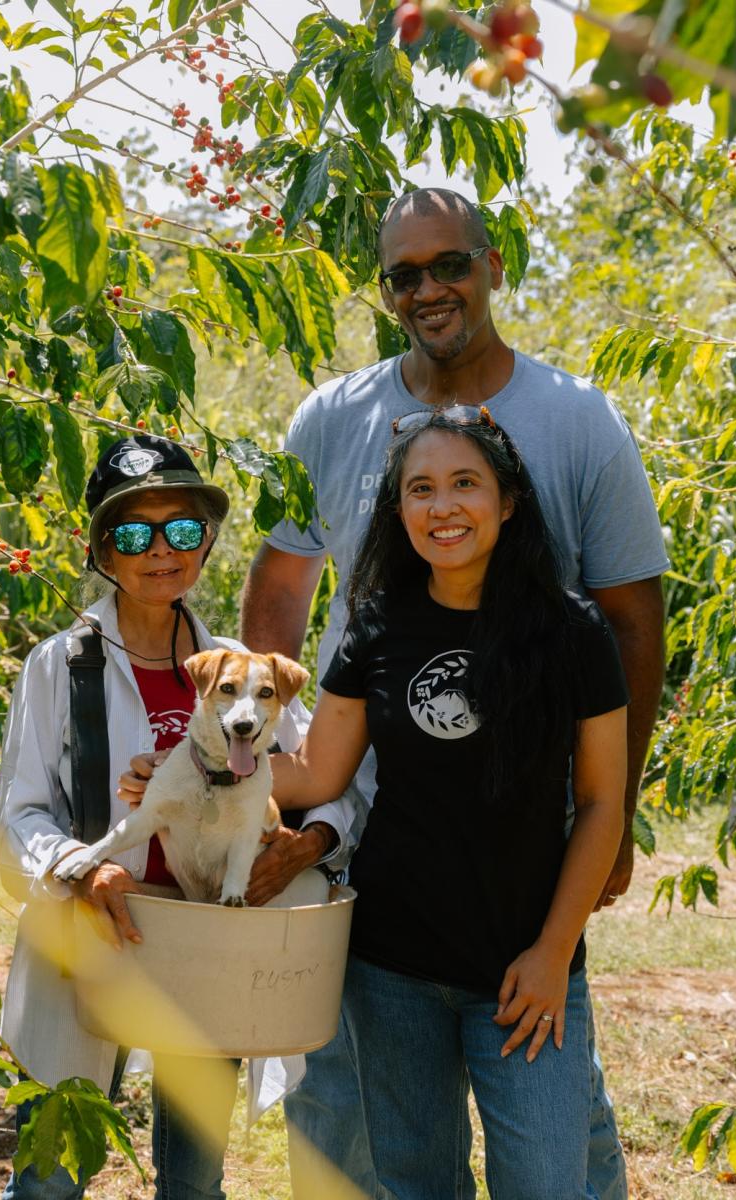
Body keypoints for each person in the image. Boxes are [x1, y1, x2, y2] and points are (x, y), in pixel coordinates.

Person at [243, 187, 669, 1198]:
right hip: (372, 849)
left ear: (494, 265)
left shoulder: (575, 426)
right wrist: (227, 776)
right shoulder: (334, 422)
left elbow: (634, 623)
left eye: (450, 265)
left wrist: (608, 830)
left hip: (524, 848)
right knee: (365, 1120)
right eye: (404, 274)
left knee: (549, 1133)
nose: (429, 288)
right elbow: (279, 605)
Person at [267, 408, 630, 1198]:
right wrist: (199, 770)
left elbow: (604, 803)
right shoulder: (377, 625)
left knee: (545, 1185)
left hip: (526, 969)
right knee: (417, 1186)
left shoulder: (573, 632)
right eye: (420, 489)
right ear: (398, 512)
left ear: (508, 499)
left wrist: (552, 952)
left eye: (465, 483)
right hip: (391, 967)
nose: (443, 507)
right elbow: (313, 773)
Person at [0, 434, 355, 1200]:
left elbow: (330, 783)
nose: (161, 551)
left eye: (182, 529)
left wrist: (310, 841)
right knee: (51, 1179)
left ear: (207, 542)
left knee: (194, 1182)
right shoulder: (63, 665)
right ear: (100, 550)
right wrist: (85, 867)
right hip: (96, 933)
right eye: (133, 534)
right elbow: (18, 814)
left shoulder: (238, 672)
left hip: (204, 941)